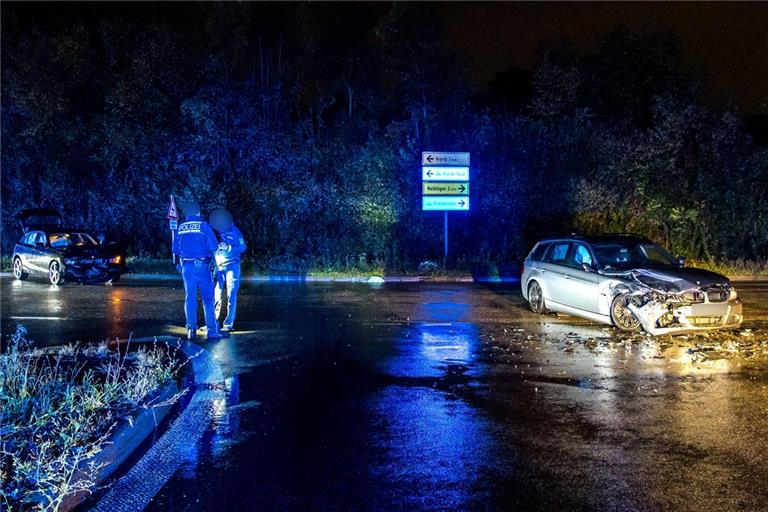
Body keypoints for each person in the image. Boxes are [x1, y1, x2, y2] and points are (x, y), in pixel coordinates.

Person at [172, 200, 229, 341]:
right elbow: (214, 246)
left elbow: (175, 249)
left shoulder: (181, 227)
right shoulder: (203, 226)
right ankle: (212, 332)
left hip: (187, 267)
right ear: (198, 212)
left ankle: (191, 329)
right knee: (208, 300)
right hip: (202, 267)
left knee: (189, 297)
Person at [209, 208, 247, 332]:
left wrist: (229, 247)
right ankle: (214, 322)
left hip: (232, 266)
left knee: (231, 294)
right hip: (219, 266)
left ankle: (229, 324)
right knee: (216, 294)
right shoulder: (217, 231)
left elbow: (243, 247)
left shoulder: (235, 231)